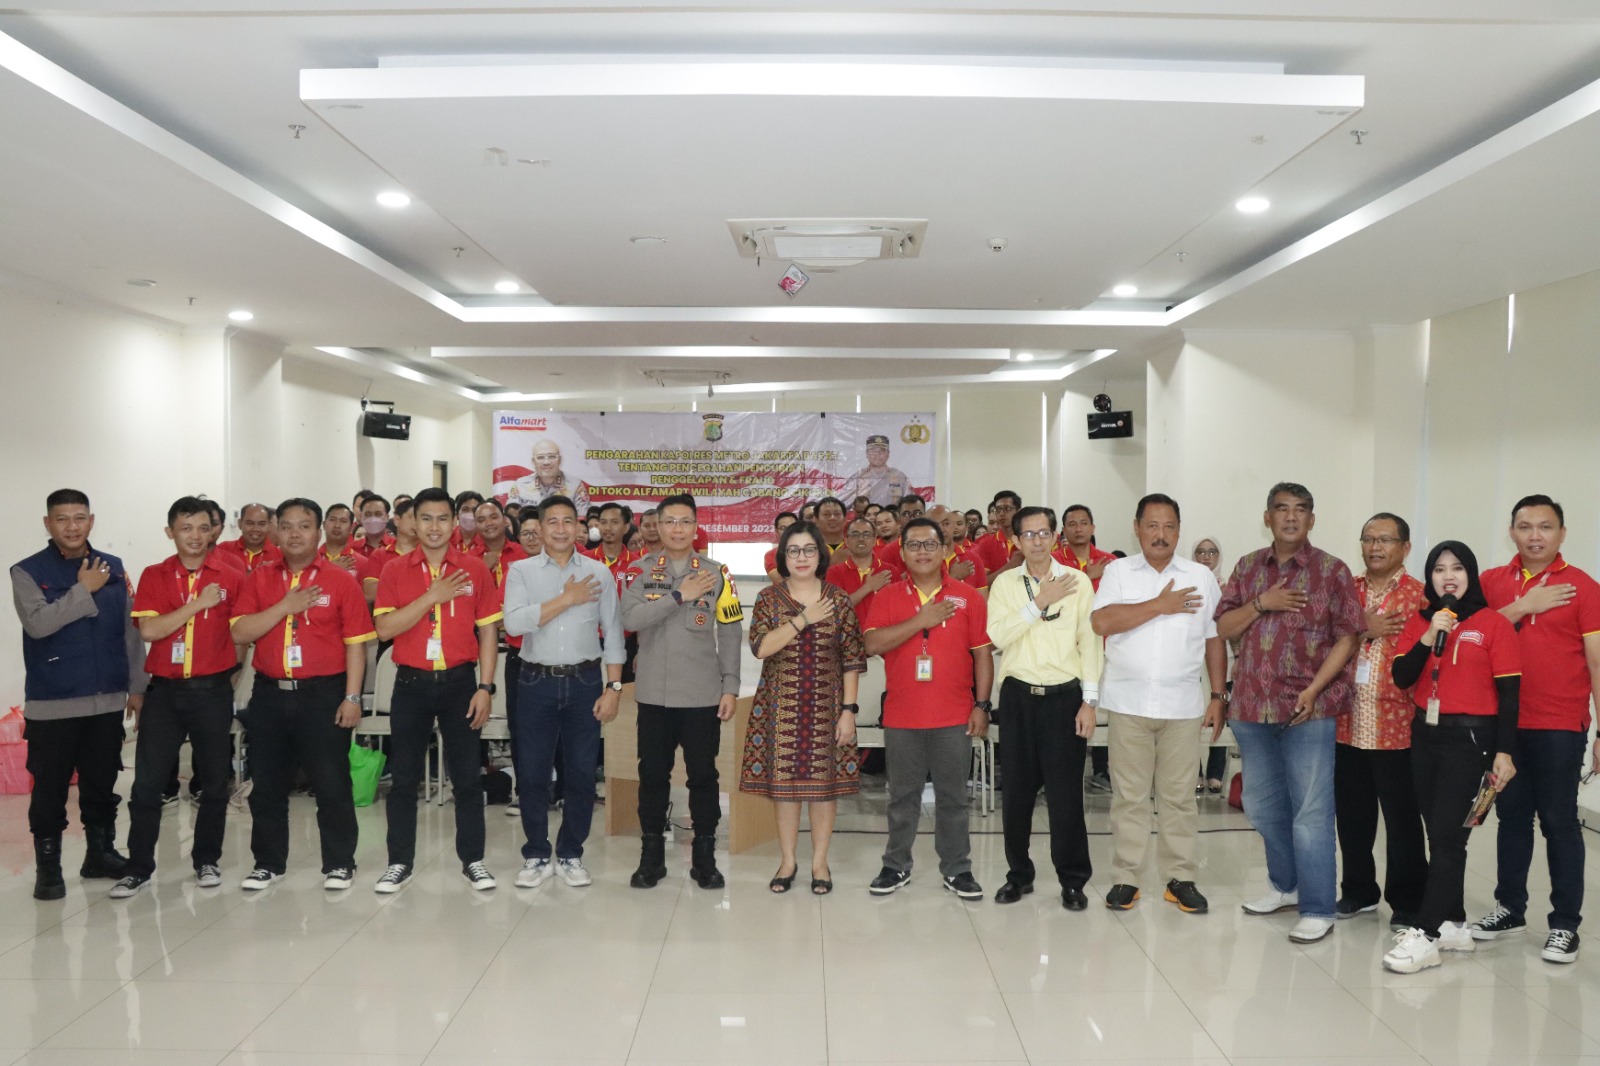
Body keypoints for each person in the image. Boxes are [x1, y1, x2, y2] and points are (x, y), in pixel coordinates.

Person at [1215, 482, 1363, 943]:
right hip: (1251, 708)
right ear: (1268, 517)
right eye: (1282, 509)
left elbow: (1349, 636)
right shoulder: (1247, 567)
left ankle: (1318, 907)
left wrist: (1315, 691)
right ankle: (1286, 886)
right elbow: (1224, 626)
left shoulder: (1332, 571)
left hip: (1308, 710)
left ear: (1312, 519)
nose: (1291, 517)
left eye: (1301, 510)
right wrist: (1263, 603)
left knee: (1311, 812)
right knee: (1262, 806)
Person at [1381, 541, 1521, 973]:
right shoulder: (1421, 621)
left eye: (1457, 568)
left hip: (1473, 740)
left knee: (1448, 838)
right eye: (1439, 569)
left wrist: (1505, 752)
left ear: (1470, 574)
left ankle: (1426, 935)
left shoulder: (1493, 623)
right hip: (1425, 735)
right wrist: (1428, 636)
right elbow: (1402, 676)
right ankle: (1455, 924)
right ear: (1430, 578)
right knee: (1439, 834)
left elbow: (1510, 694)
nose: (1448, 576)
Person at [1472, 494, 1600, 963]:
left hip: (1559, 724)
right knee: (1510, 819)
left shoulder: (1583, 587)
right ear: (1512, 532)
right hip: (1503, 726)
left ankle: (1565, 925)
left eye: (1545, 527)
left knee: (1559, 823)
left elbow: (1597, 663)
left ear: (1562, 533)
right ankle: (1510, 909)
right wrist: (1525, 605)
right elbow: (1471, 632)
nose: (1535, 536)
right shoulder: (1491, 582)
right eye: (1525, 526)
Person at [229, 498, 374, 890]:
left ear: (318, 531)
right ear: (276, 531)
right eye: (287, 526)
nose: (295, 534)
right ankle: (268, 863)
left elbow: (356, 645)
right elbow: (240, 632)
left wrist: (352, 698)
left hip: (323, 695)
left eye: (304, 526)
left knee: (331, 782)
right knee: (267, 784)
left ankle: (339, 863)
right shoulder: (260, 578)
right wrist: (285, 606)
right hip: (270, 694)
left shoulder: (340, 581)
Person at [1089, 494, 1224, 914]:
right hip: (1128, 704)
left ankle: (1180, 877)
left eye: (1169, 526)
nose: (1160, 535)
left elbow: (1214, 639)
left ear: (1179, 531)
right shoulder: (1118, 571)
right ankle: (1126, 878)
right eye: (1152, 525)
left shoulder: (1200, 576)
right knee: (1128, 798)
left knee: (1179, 798)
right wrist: (1159, 606)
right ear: (1137, 528)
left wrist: (1218, 695)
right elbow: (1101, 622)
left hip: (1182, 706)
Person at [13, 489, 146, 900]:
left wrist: (138, 685)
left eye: (79, 517)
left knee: (102, 783)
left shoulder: (113, 566)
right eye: (62, 518)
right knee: (50, 789)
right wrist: (84, 589)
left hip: (106, 699)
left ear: (91, 521)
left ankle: (100, 854)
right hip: (53, 701)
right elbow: (38, 624)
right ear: (48, 523)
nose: (72, 526)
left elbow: (129, 628)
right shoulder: (27, 571)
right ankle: (49, 868)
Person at [111, 497, 246, 897]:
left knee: (215, 783)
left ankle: (207, 860)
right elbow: (150, 631)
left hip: (211, 691)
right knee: (147, 784)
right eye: (186, 528)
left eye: (204, 528)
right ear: (170, 532)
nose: (196, 536)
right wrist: (198, 604)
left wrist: (230, 672)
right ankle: (138, 867)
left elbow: (242, 633)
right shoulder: (155, 575)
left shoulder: (232, 576)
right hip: (165, 694)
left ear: (214, 531)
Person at [372, 487, 502, 893]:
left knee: (467, 778)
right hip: (411, 684)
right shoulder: (395, 570)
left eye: (442, 518)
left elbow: (488, 631)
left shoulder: (474, 569)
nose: (434, 527)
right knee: (404, 779)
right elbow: (385, 628)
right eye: (425, 518)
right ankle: (399, 862)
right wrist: (433, 596)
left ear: (454, 522)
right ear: (412, 522)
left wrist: (485, 687)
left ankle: (473, 860)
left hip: (461, 684)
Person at [863, 516, 991, 899]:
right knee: (902, 797)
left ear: (944, 550)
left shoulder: (968, 597)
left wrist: (982, 705)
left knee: (954, 798)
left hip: (954, 716)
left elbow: (983, 655)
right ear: (902, 553)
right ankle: (895, 865)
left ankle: (957, 869)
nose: (922, 551)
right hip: (902, 716)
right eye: (914, 545)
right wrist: (921, 620)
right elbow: (872, 644)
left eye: (930, 544)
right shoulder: (887, 596)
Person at [621, 494, 744, 889]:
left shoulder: (717, 573)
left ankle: (704, 858)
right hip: (654, 694)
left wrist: (730, 686)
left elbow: (730, 631)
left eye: (685, 521)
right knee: (652, 776)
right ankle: (651, 857)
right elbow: (630, 618)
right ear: (657, 526)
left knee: (703, 777)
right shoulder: (639, 571)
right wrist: (678, 596)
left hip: (701, 694)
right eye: (669, 521)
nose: (677, 529)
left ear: (695, 527)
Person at [502, 494, 625, 889]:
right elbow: (514, 624)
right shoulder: (521, 571)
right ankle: (536, 853)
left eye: (567, 521)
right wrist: (567, 599)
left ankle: (571, 852)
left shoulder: (598, 573)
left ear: (579, 527)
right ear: (539, 528)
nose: (559, 529)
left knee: (582, 775)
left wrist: (614, 687)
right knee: (532, 773)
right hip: (534, 682)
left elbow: (614, 634)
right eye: (551, 521)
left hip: (585, 682)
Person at [986, 505, 1102, 910]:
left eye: (1044, 533)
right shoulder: (1005, 584)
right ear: (1015, 541)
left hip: (1065, 699)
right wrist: (1040, 602)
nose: (1037, 541)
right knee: (1016, 793)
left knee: (1066, 795)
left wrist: (1089, 702)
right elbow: (997, 635)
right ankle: (1019, 875)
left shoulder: (1078, 582)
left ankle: (1073, 881)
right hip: (1018, 697)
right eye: (1028, 534)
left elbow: (1090, 643)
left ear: (1056, 537)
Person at [741, 521, 865, 895]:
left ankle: (819, 863)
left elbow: (852, 660)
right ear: (783, 556)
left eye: (809, 549)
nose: (801, 557)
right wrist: (803, 619)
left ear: (820, 555)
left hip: (828, 708)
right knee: (785, 789)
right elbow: (761, 648)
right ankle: (788, 861)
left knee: (823, 790)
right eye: (793, 550)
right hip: (779, 708)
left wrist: (849, 710)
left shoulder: (838, 600)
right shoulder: (768, 599)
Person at [1336, 514, 1429, 926]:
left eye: (1386, 539)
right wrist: (1364, 629)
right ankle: (1358, 891)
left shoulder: (1421, 597)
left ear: (1405, 547)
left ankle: (1408, 901)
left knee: (1403, 820)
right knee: (1352, 815)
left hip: (1399, 727)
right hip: (1346, 722)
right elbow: (1323, 644)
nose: (1375, 547)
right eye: (1369, 539)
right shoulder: (1345, 591)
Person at [1193, 537, 1229, 791]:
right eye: (1201, 552)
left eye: (1212, 552)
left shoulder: (1230, 587)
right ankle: (1194, 772)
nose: (1206, 557)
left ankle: (1215, 773)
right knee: (1191, 718)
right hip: (1194, 660)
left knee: (1220, 713)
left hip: (1221, 659)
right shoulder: (1187, 585)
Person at [826, 517, 894, 616]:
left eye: (866, 534)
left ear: (874, 540)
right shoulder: (835, 572)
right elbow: (834, 610)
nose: (861, 539)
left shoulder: (890, 571)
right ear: (846, 541)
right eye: (855, 535)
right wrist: (868, 587)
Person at [357, 497, 417, 605]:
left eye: (423, 518)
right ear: (397, 520)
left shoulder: (430, 553)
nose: (417, 523)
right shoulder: (380, 554)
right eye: (412, 517)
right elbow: (370, 593)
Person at [508, 439, 591, 513]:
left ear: (559, 460)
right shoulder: (520, 485)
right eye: (540, 457)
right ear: (533, 462)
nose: (546, 462)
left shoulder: (575, 486)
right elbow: (511, 519)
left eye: (552, 457)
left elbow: (583, 519)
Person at [1055, 505, 1117, 585]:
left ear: (1092, 529)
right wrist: (1089, 576)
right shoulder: (1053, 560)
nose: (1078, 529)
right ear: (1064, 531)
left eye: (1084, 523)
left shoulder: (1109, 561)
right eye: (1072, 524)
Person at [214, 502, 282, 573]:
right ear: (240, 524)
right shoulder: (223, 549)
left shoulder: (280, 556)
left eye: (261, 524)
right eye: (250, 523)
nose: (255, 529)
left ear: (269, 526)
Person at [933, 504, 988, 590]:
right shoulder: (923, 560)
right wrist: (953, 577)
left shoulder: (974, 559)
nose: (941, 529)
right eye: (935, 525)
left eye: (946, 524)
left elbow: (982, 596)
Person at [848, 433, 912, 506]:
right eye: (873, 451)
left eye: (882, 450)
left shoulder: (899, 476)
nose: (877, 454)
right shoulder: (857, 477)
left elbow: (910, 502)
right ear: (867, 453)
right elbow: (847, 504)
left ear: (888, 454)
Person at [973, 491, 1021, 577]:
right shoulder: (986, 544)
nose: (1001, 513)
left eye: (1007, 509)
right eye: (998, 510)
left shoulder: (1028, 539)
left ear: (1018, 511)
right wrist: (1010, 566)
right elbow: (983, 582)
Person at [319, 503, 360, 571]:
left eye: (343, 521)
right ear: (324, 525)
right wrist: (333, 568)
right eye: (332, 520)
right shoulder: (309, 560)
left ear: (352, 528)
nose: (337, 525)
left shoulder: (362, 562)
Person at [763, 511, 799, 584]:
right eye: (783, 528)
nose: (788, 531)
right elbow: (780, 581)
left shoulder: (810, 551)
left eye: (792, 527)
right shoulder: (771, 555)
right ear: (776, 531)